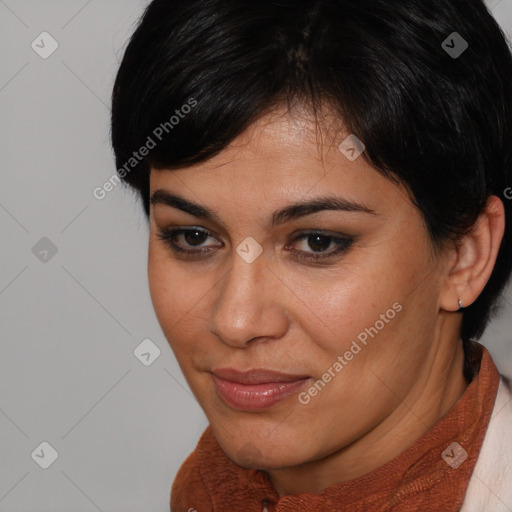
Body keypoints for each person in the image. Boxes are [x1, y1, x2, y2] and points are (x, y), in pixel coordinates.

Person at [110, 0, 512, 510]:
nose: (235, 321)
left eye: (316, 242)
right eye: (193, 237)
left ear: (465, 256)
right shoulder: (205, 492)